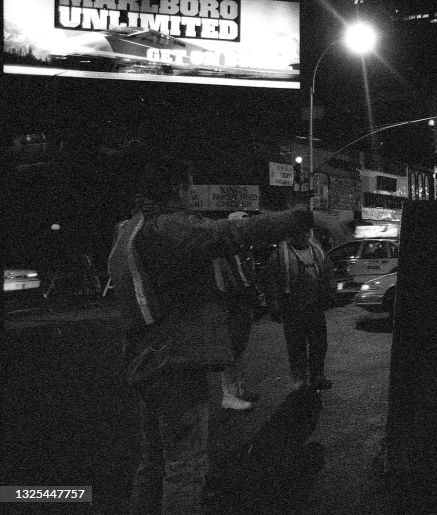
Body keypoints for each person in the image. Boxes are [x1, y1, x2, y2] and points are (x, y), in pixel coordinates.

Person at [108, 156, 319, 514]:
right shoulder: (169, 229)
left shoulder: (130, 229)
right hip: (174, 363)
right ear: (175, 189)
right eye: (189, 186)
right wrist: (303, 216)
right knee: (185, 468)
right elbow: (233, 233)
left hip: (146, 360)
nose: (193, 193)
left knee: (154, 461)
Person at [264, 229, 334, 391]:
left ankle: (317, 376)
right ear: (292, 235)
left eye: (306, 233)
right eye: (300, 233)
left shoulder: (317, 251)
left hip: (315, 306)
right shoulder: (280, 255)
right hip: (292, 307)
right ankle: (300, 379)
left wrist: (330, 294)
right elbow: (271, 281)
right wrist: (274, 305)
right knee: (296, 346)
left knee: (319, 344)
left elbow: (328, 272)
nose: (304, 236)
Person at [212, 211, 264, 411]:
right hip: (231, 305)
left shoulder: (241, 251)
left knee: (239, 351)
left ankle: (239, 390)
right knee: (231, 351)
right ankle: (229, 394)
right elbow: (223, 282)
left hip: (242, 304)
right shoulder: (222, 252)